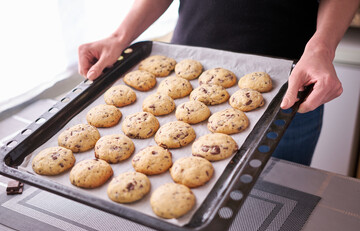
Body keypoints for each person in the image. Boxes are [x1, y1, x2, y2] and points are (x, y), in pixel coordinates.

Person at [78, 0, 360, 166]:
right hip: (182, 75)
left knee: (279, 206)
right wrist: (119, 37)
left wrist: (322, 48)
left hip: (291, 87)